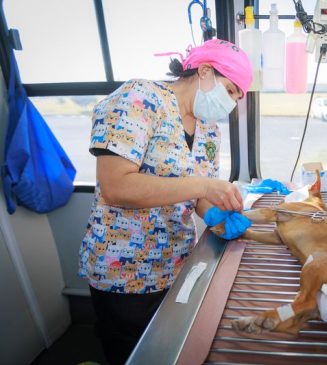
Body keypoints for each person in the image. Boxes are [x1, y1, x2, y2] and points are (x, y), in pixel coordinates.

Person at [78, 39, 253, 365]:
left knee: (167, 351)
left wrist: (215, 216)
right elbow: (117, 186)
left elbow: (198, 194)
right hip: (124, 271)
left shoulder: (209, 130)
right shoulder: (138, 99)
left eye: (236, 99)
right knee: (129, 351)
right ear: (204, 71)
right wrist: (204, 185)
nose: (230, 104)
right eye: (230, 91)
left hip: (176, 264)